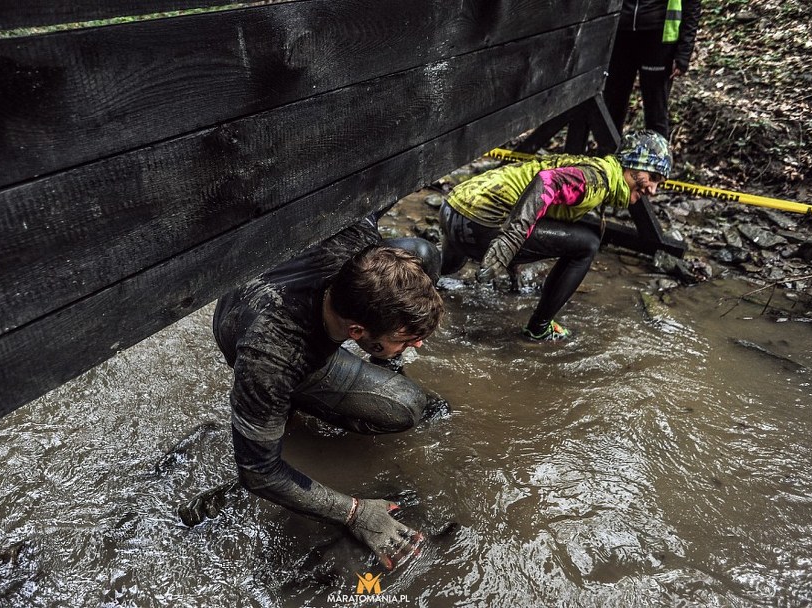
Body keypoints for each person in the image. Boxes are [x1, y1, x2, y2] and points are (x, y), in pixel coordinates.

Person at [179, 212, 444, 571]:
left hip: (278, 291)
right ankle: (293, 399)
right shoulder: (274, 355)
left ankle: (375, 358)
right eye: (406, 340)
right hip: (251, 322)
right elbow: (258, 472)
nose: (417, 345)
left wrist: (395, 340)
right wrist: (355, 513)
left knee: (421, 251)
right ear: (355, 331)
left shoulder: (356, 238)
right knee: (406, 406)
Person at [439, 130, 672, 341]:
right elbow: (547, 181)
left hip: (452, 212)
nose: (652, 190)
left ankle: (424, 271)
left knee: (444, 270)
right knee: (587, 244)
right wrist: (512, 238)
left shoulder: (592, 168)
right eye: (652, 178)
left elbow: (538, 199)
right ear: (632, 164)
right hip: (480, 224)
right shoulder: (598, 180)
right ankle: (539, 328)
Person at [603, 0, 702, 139]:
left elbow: (691, 4)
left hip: (658, 39)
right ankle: (607, 156)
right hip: (619, 35)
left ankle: (658, 158)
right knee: (612, 109)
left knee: (656, 113)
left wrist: (684, 51)